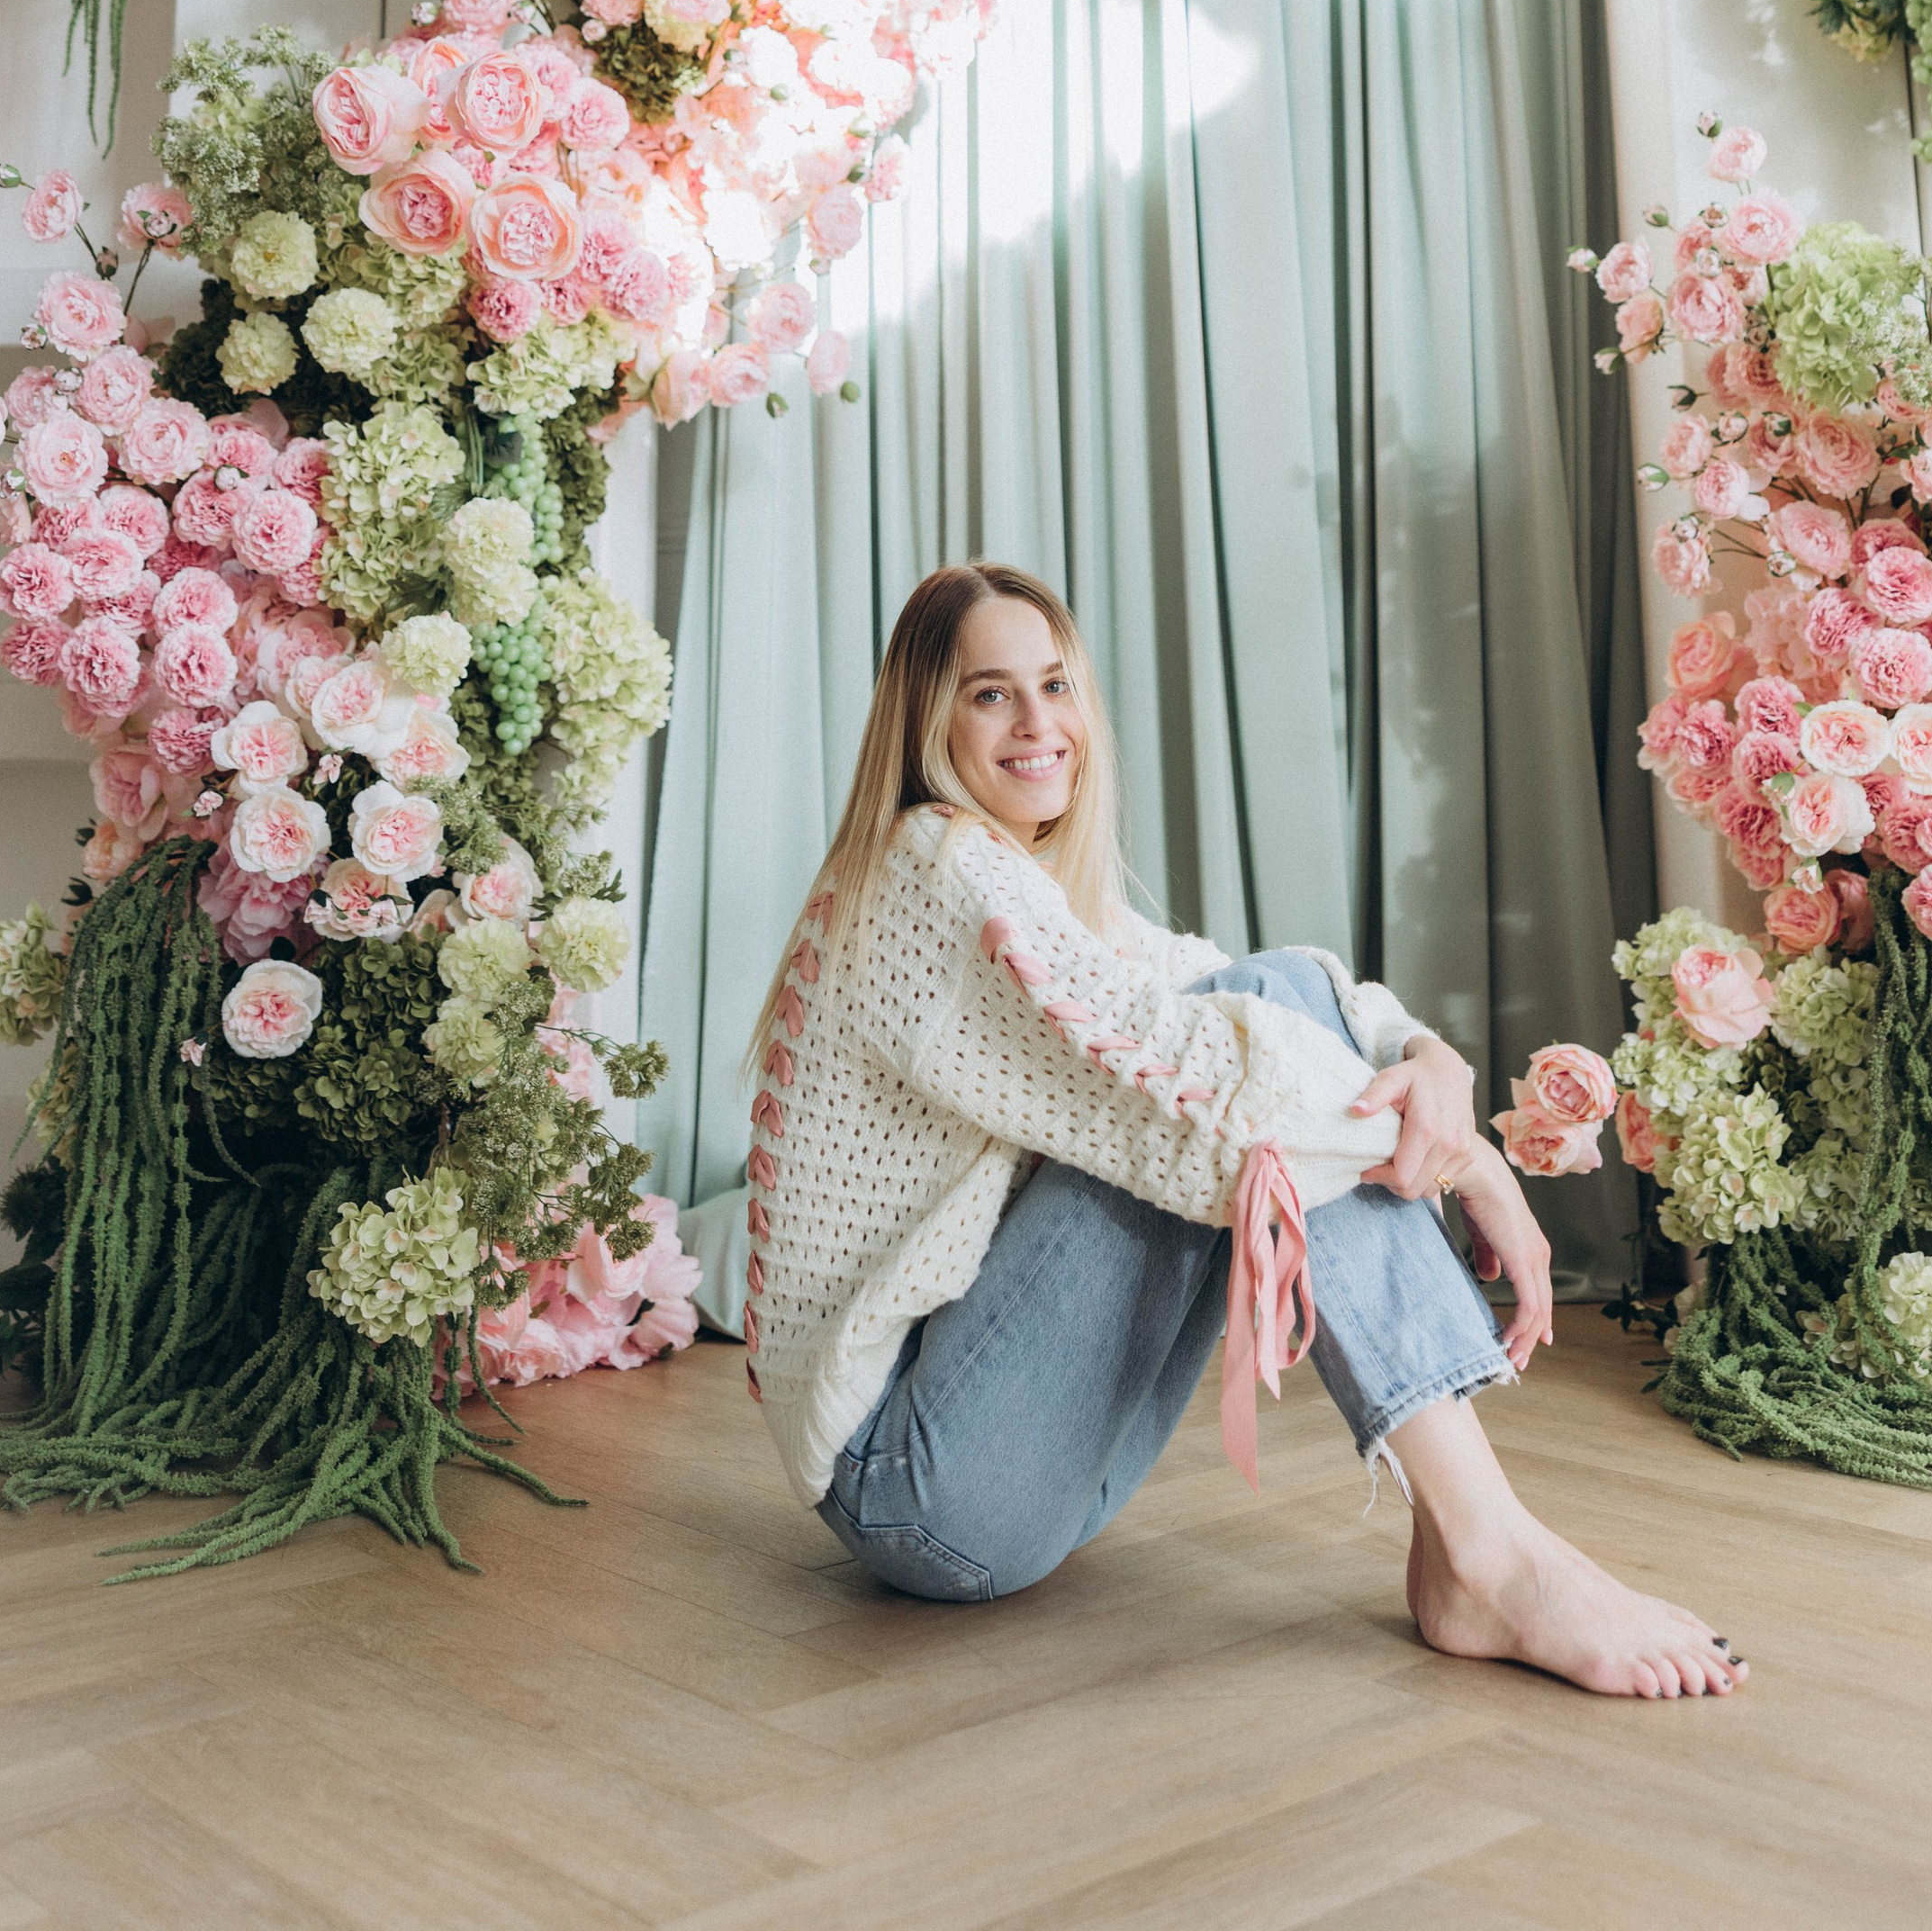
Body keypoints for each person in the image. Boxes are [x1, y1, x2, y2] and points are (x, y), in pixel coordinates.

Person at [741, 562, 1744, 1701]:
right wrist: (1466, 1167)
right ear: (925, 722)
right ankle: (1492, 1549)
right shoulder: (932, 865)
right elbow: (1203, 1077)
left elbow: (1272, 988)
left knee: (1260, 1014)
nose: (1039, 724)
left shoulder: (1026, 886)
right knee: (1233, 1086)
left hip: (1006, 1483)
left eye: (1056, 684)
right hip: (917, 1491)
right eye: (988, 693)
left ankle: (1473, 1547)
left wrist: (1429, 1059)